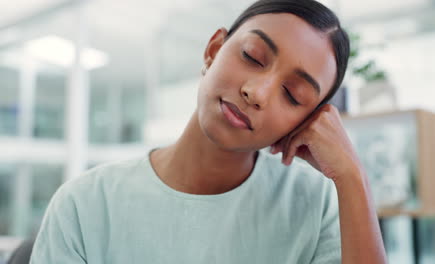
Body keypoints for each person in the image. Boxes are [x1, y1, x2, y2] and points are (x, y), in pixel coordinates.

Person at [30, 0, 387, 263]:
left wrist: (353, 179)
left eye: (292, 95)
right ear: (213, 50)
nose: (256, 92)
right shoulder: (85, 204)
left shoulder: (316, 206)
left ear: (304, 123)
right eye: (252, 56)